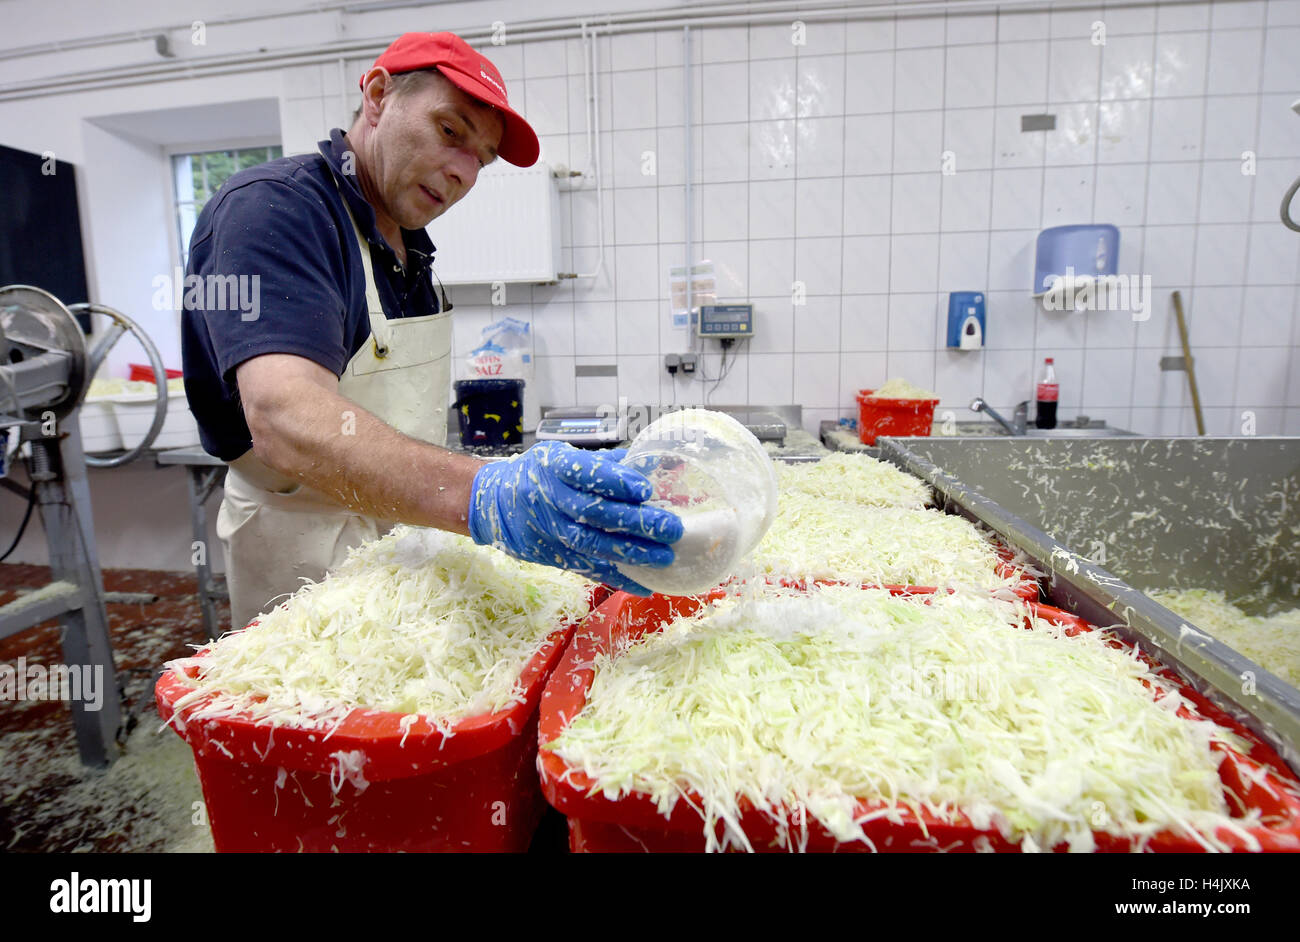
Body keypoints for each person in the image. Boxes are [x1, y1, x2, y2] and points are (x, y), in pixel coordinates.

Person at [182, 31, 680, 630]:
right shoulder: (275, 210)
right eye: (451, 131)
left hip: (402, 546)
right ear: (377, 95)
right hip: (305, 569)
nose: (463, 172)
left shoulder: (407, 249)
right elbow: (286, 418)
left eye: (482, 159)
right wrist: (488, 492)